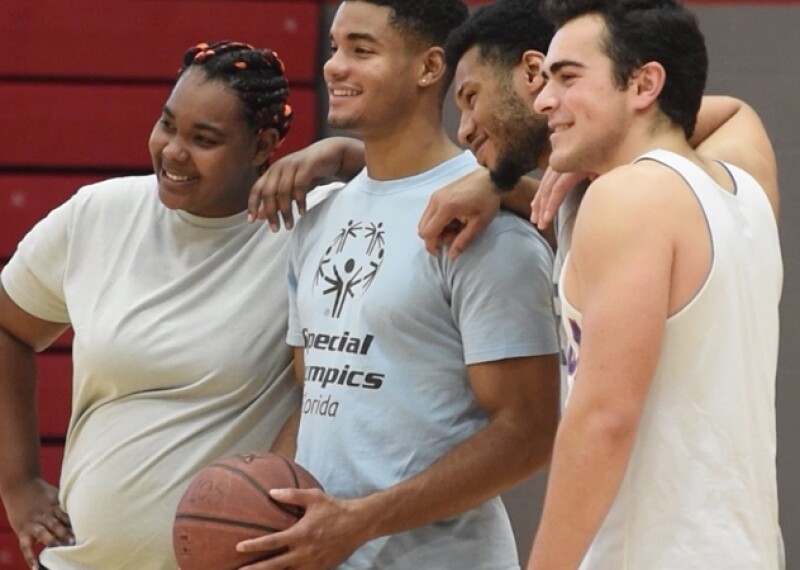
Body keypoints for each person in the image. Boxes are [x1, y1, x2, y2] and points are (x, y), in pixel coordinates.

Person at [236, 1, 561, 569]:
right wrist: (262, 515)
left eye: (362, 50)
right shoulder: (317, 217)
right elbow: (321, 402)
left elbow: (531, 432)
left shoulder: (481, 224)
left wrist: (361, 521)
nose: (335, 66)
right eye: (335, 47)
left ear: (430, 67)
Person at [0, 41, 309, 570]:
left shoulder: (310, 230)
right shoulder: (101, 213)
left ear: (263, 146)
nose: (173, 151)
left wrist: (341, 154)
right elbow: (9, 328)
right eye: (168, 125)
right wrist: (18, 482)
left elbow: (450, 181)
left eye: (204, 139)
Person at [525, 1, 783, 569]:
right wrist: (593, 130)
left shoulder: (630, 196)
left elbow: (604, 420)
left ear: (644, 83)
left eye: (568, 78)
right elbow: (737, 111)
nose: (544, 101)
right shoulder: (745, 185)